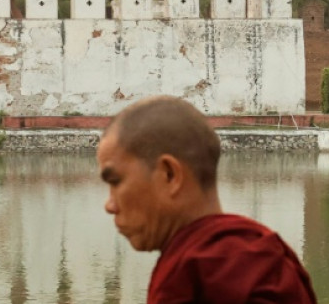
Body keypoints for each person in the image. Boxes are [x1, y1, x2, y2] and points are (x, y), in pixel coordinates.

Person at [96, 96, 317, 303]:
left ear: (170, 175)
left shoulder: (194, 274)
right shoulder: (269, 255)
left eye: (115, 182)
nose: (109, 205)